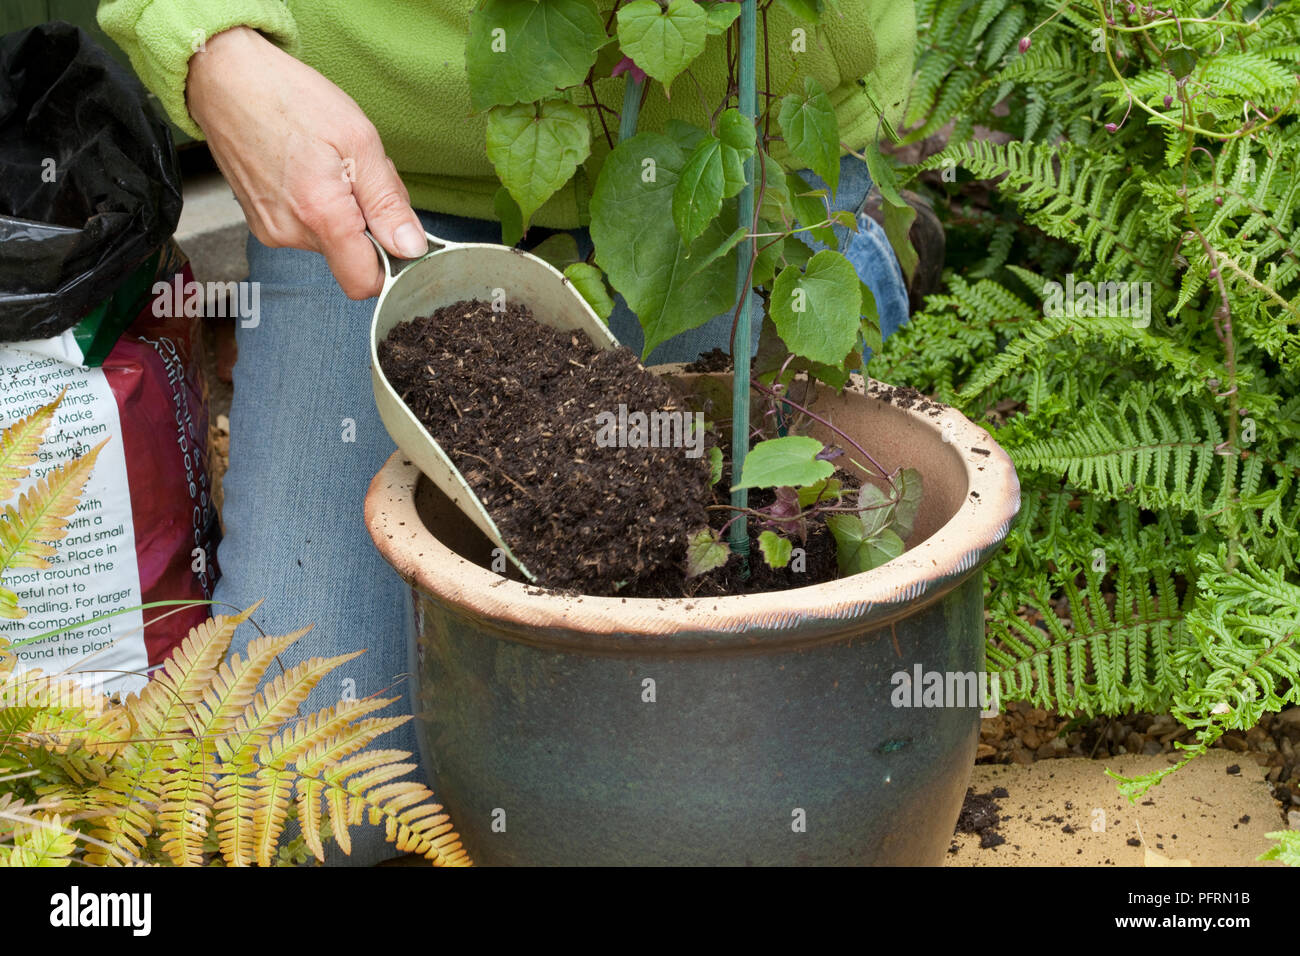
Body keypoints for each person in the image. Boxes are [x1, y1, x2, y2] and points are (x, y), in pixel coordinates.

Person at [98, 1, 917, 864]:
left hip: (729, 158)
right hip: (370, 162)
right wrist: (212, 48)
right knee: (308, 798)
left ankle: (841, 259)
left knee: (731, 766)